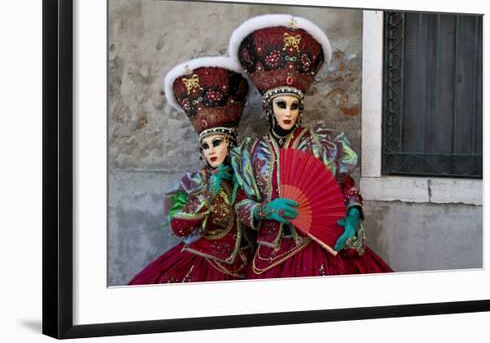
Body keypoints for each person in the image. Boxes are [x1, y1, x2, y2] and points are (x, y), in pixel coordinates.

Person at [228, 14, 392, 278]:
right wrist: (265, 209)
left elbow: (346, 188)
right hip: (269, 254)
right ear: (269, 108)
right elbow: (239, 203)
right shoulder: (251, 153)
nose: (288, 112)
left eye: (294, 105)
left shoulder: (322, 145)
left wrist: (352, 214)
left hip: (319, 247)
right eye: (282, 105)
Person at [128, 57, 253, 284]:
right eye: (205, 146)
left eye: (217, 143)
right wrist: (207, 195)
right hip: (205, 266)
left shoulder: (246, 177)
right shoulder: (195, 181)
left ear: (230, 143)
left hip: (244, 268)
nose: (211, 151)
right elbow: (179, 227)